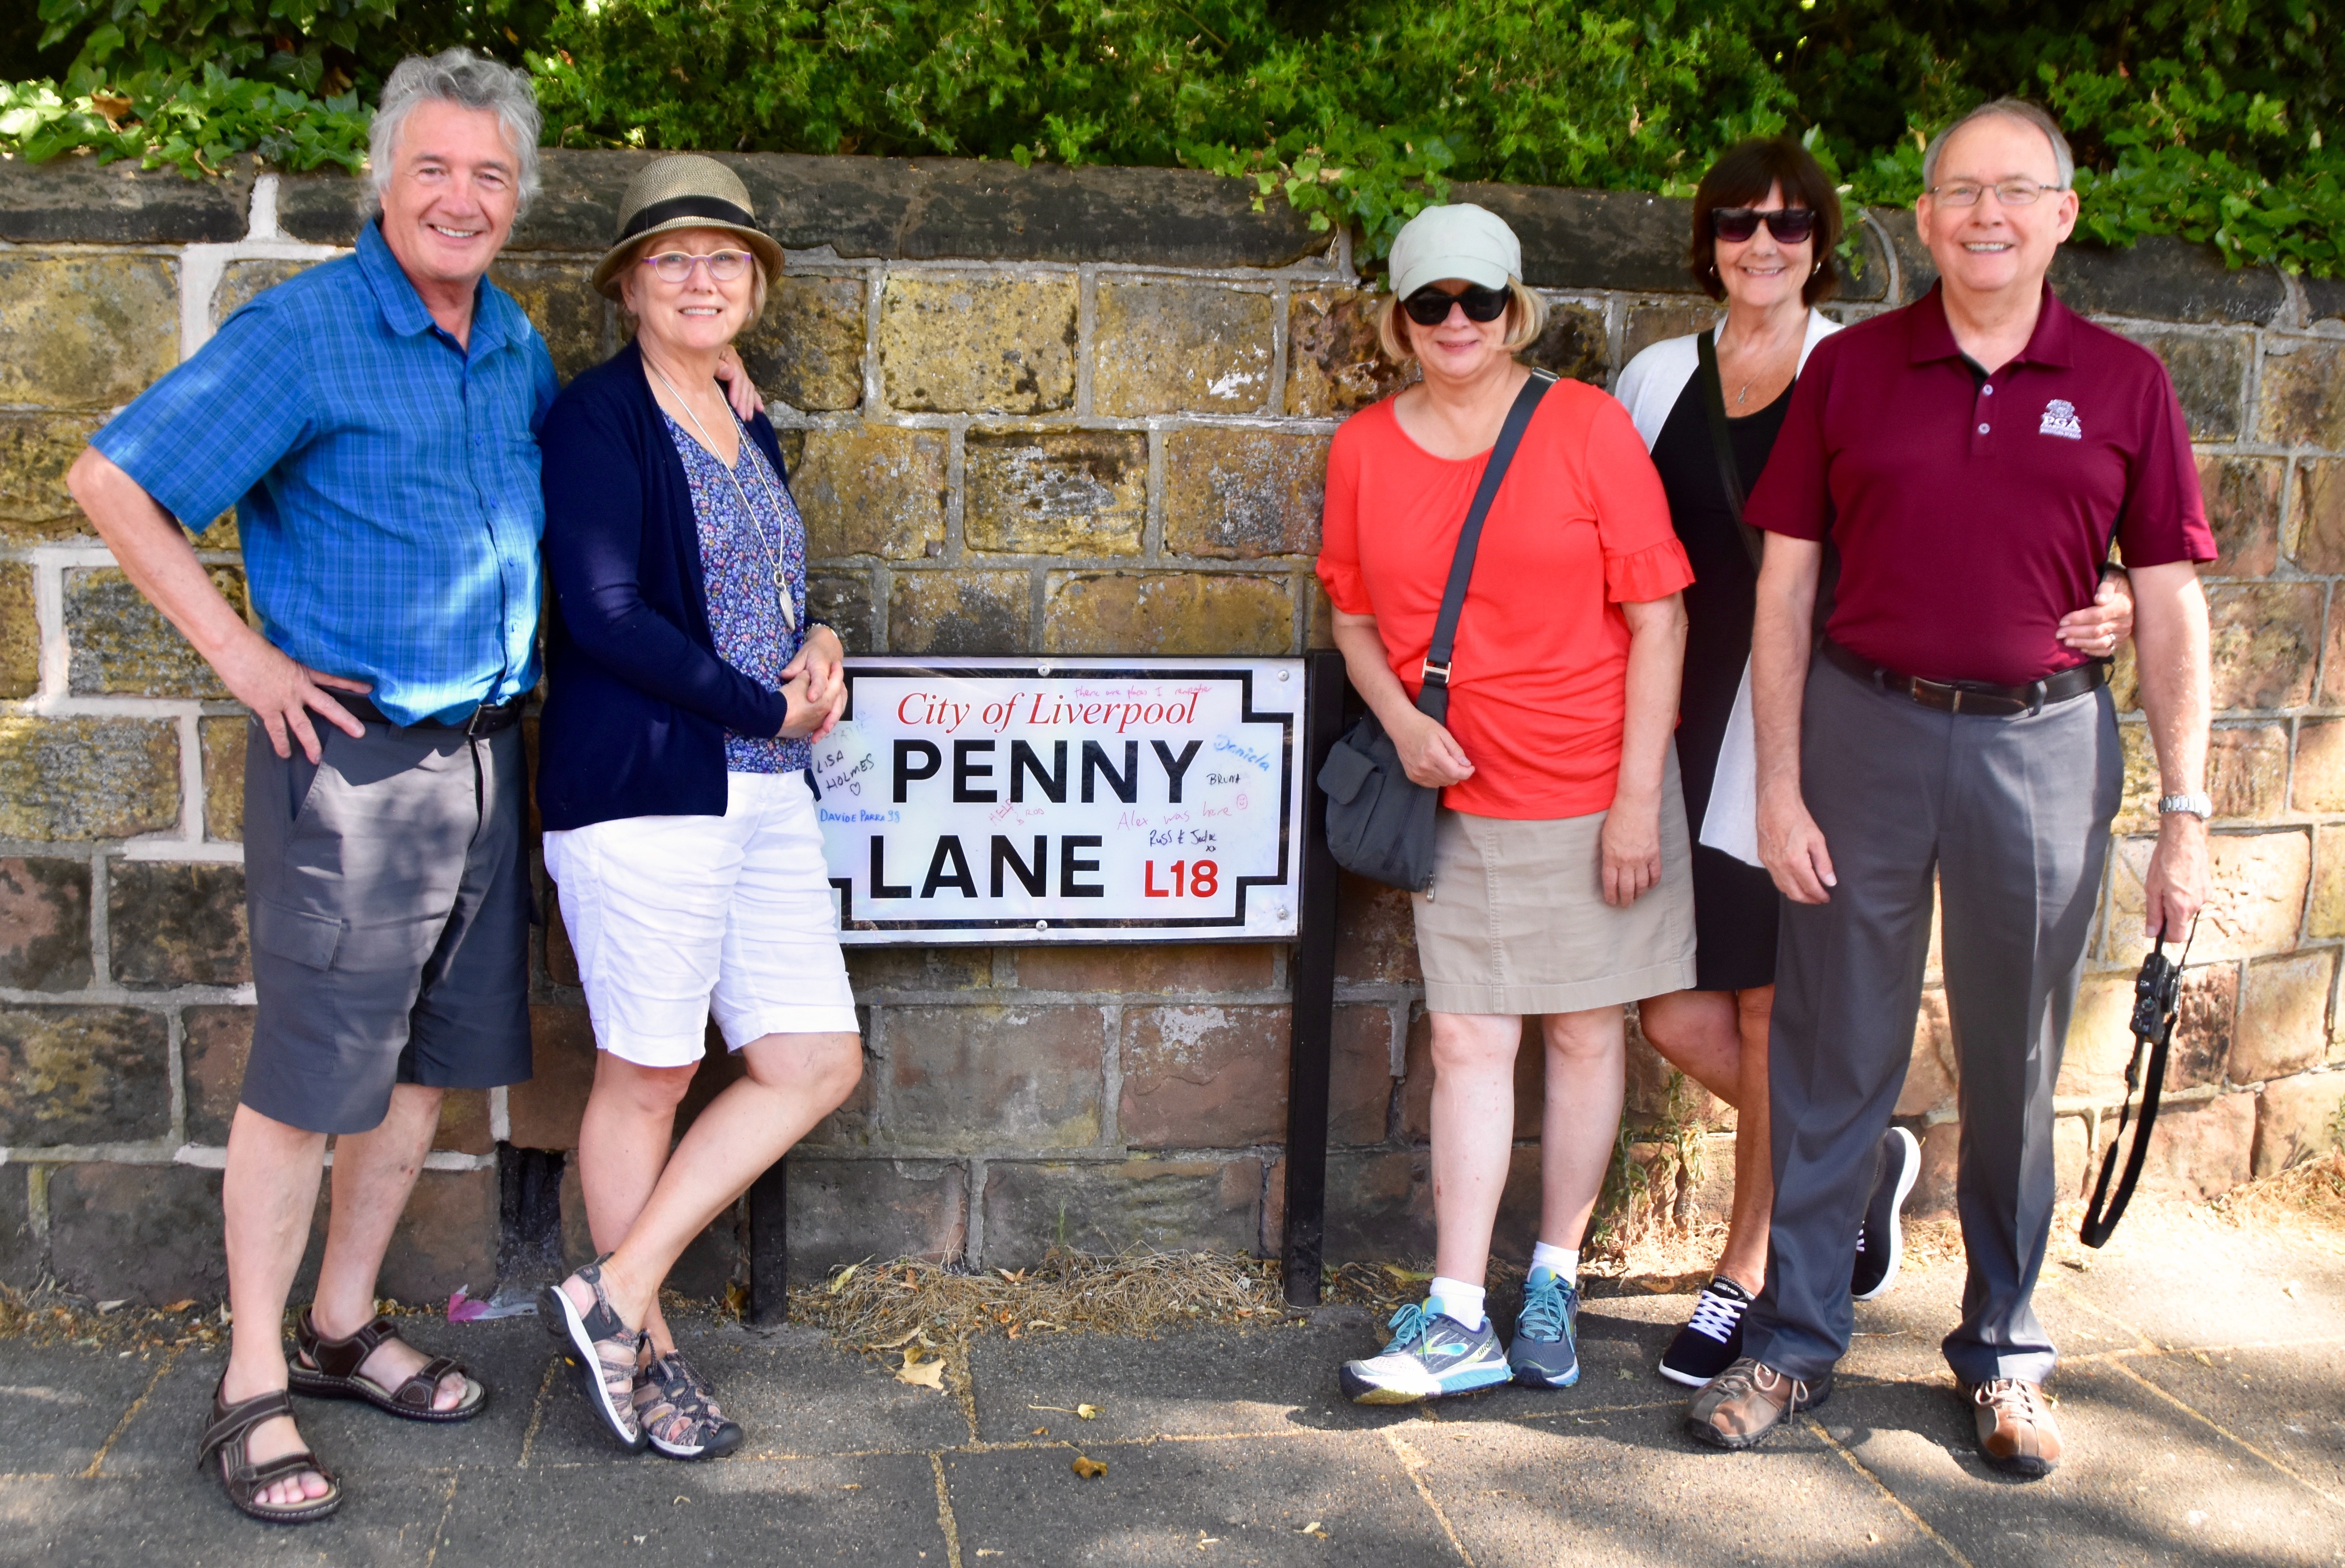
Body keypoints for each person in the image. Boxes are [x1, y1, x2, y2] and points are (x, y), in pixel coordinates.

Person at [65, 53, 766, 1523]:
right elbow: (114, 480)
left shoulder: (505, 340)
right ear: (382, 181)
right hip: (352, 760)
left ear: (517, 200)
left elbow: (603, 438)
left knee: (430, 1067)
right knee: (311, 1075)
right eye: (435, 169)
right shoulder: (305, 335)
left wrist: (714, 377)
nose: (463, 196)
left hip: (487, 755)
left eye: (491, 175)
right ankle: (250, 1377)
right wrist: (243, 660)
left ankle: (339, 1324)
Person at [1683, 99, 2214, 1476]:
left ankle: (2006, 1348)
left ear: (2061, 215)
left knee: (2017, 1059)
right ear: (1921, 219)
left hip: (2041, 751)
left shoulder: (2122, 383)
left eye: (2014, 191)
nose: (1985, 214)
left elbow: (2166, 607)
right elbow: (1785, 588)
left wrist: (2187, 814)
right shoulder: (1849, 372)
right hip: (1861, 736)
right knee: (1822, 1054)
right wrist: (1779, 786)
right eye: (1959, 191)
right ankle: (1794, 1343)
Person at [1614, 139, 2136, 1388]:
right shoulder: (1652, 378)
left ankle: (1745, 1276)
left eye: (1789, 225)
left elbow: (1992, 518)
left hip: (1798, 723)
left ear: (1824, 241)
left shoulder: (1849, 363)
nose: (1761, 243)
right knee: (1672, 1008)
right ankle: (1859, 1162)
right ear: (1705, 237)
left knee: (1767, 1008)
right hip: (1674, 724)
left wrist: (2105, 586)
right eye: (1737, 221)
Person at [1317, 203, 1698, 1403]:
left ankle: (1551, 1279)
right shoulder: (1364, 449)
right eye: (1429, 303)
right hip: (1462, 795)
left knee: (1586, 1033)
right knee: (1471, 1039)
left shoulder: (1582, 428)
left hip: (1595, 785)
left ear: (1513, 306)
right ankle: (1454, 1307)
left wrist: (1637, 801)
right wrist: (1399, 721)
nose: (1455, 323)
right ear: (1398, 317)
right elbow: (1351, 616)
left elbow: (1659, 618)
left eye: (1477, 300)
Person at [534, 155, 862, 1460]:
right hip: (649, 792)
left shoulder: (748, 415)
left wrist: (821, 634)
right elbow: (606, 613)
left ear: (756, 283)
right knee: (650, 1072)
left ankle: (610, 1290)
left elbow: (768, 581)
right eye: (670, 257)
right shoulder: (597, 420)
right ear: (626, 285)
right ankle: (649, 1352)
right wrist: (757, 703)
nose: (700, 276)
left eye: (724, 257)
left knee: (813, 1059)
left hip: (766, 790)